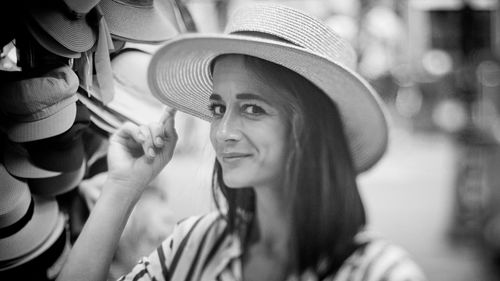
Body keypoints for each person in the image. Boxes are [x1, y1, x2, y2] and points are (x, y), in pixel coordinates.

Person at [57, 3, 426, 281]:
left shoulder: (381, 273)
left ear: (310, 128)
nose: (222, 132)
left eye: (252, 108)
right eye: (218, 108)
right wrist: (122, 188)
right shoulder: (194, 245)